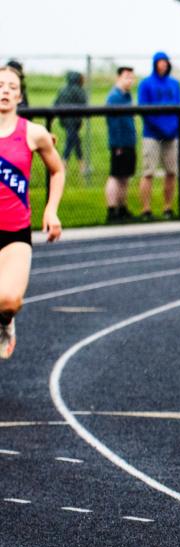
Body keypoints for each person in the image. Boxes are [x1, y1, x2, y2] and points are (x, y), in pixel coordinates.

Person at [0, 65, 64, 360]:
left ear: (20, 96)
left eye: (12, 86)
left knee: (10, 300)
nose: (5, 91)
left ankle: (5, 322)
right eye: (1, 85)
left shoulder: (33, 133)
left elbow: (58, 170)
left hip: (14, 232)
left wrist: (51, 210)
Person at [138, 51, 180, 220]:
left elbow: (178, 106)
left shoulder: (174, 84)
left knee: (171, 171)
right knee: (148, 172)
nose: (163, 65)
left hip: (171, 134)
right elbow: (144, 109)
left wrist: (172, 128)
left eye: (165, 62)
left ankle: (168, 207)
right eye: (160, 62)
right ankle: (146, 209)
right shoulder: (146, 84)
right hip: (152, 134)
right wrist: (159, 127)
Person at [105, 67, 137, 223]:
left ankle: (122, 207)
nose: (129, 80)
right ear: (118, 78)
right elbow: (114, 123)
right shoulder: (114, 97)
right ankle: (112, 210)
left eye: (132, 77)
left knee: (125, 177)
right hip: (120, 143)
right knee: (116, 176)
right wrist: (117, 144)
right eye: (126, 77)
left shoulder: (127, 96)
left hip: (129, 142)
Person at [53, 71, 87, 165]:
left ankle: (82, 165)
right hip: (75, 121)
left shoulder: (62, 90)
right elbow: (84, 104)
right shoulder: (80, 90)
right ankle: (64, 163)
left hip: (64, 121)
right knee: (71, 141)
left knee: (76, 141)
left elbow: (55, 104)